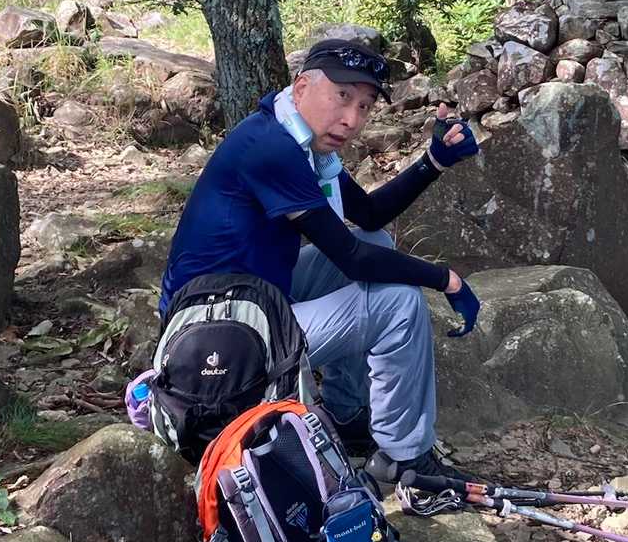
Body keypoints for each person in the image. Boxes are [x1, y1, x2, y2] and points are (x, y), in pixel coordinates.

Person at [159, 37, 481, 485]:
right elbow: (352, 259)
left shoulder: (301, 143)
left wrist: (433, 162)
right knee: (400, 303)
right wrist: (446, 280)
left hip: (252, 298)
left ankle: (347, 413)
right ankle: (405, 458)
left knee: (376, 240)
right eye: (342, 96)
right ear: (302, 87)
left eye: (364, 106)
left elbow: (367, 215)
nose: (351, 119)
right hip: (219, 339)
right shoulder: (271, 148)